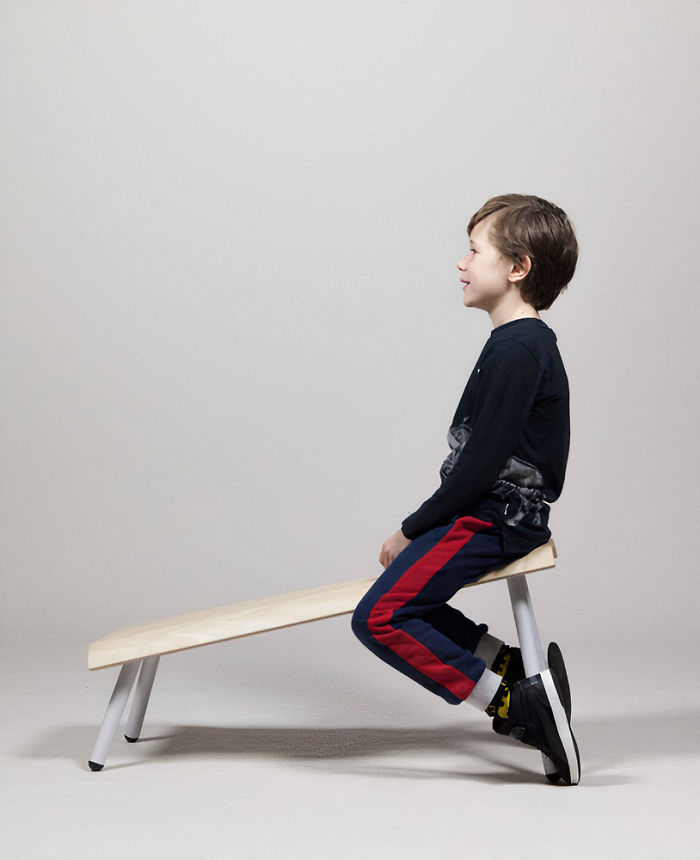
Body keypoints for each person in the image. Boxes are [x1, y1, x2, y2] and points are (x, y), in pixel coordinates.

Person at [351, 194, 580, 785]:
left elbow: (478, 467)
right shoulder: (516, 343)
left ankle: (515, 706)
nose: (461, 263)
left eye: (474, 250)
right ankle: (520, 671)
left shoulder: (520, 345)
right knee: (399, 602)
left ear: (517, 267)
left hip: (497, 517)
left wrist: (413, 527)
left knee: (379, 616)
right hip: (492, 511)